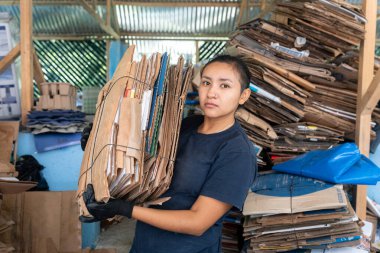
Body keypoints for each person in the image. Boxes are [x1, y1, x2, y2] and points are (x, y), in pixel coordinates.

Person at [80, 54, 258, 253]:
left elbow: (197, 222)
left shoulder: (238, 152)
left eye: (224, 86)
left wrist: (125, 209)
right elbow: (143, 166)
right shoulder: (185, 126)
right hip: (144, 244)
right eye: (206, 82)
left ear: (243, 95)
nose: (212, 93)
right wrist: (102, 144)